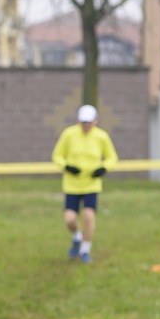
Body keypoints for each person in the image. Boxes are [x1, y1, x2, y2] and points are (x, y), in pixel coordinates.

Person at [51, 104, 119, 264]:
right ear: (78, 121)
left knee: (88, 216)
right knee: (70, 219)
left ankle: (85, 250)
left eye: (89, 122)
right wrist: (66, 167)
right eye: (83, 122)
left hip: (91, 184)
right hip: (72, 185)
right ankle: (77, 237)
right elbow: (57, 155)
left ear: (95, 121)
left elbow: (112, 157)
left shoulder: (101, 137)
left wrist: (103, 168)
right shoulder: (69, 134)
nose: (86, 125)